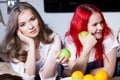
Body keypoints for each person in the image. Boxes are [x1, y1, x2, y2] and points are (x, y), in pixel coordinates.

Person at [0, 2, 66, 80]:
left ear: (38, 18)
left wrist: (54, 61)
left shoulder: (53, 38)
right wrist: (31, 44)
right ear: (17, 29)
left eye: (32, 19)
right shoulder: (14, 47)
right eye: (23, 24)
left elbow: (47, 78)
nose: (31, 26)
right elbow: (28, 78)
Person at [63, 3, 119, 77]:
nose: (101, 27)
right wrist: (86, 48)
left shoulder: (107, 36)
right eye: (95, 24)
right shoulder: (70, 40)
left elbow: (109, 72)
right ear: (82, 26)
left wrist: (70, 72)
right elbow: (76, 75)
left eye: (101, 22)